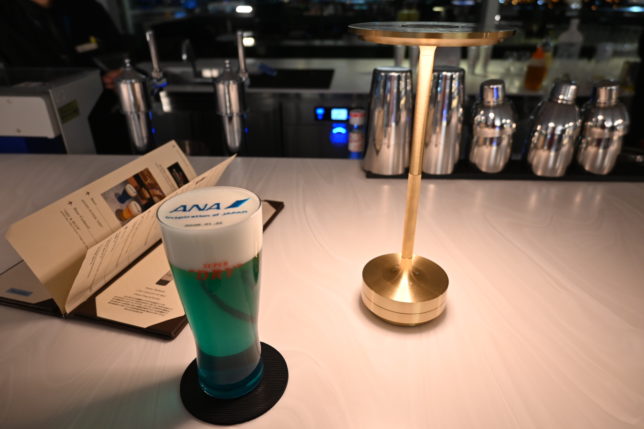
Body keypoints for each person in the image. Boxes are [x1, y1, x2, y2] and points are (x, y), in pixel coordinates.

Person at [0, 0, 132, 152]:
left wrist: (118, 75)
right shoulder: (6, 19)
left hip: (106, 124)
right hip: (38, 138)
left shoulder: (88, 9)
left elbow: (122, 59)